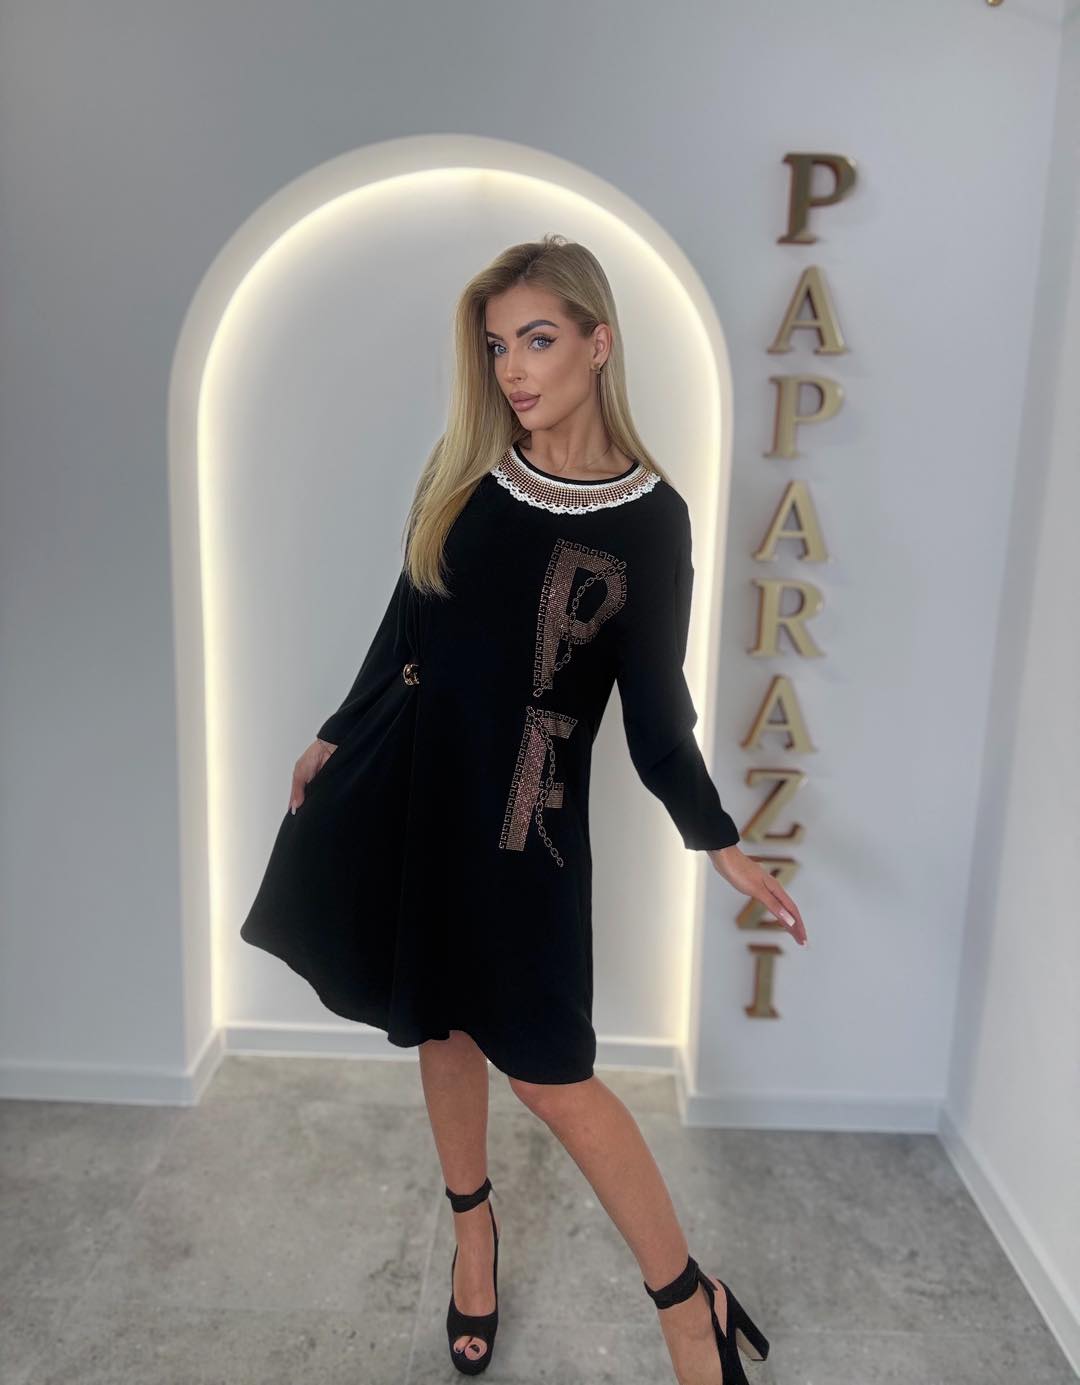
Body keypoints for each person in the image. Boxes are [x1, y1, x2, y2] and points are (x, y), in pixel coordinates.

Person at [240, 233, 807, 1382]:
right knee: (442, 1026)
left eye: (537, 339)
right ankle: (474, 1239)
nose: (512, 368)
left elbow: (657, 714)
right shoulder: (467, 469)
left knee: (551, 1074)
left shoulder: (652, 519)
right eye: (498, 345)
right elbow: (406, 619)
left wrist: (720, 839)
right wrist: (336, 731)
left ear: (599, 343)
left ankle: (688, 1304)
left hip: (527, 827)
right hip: (418, 786)